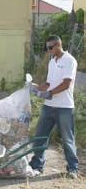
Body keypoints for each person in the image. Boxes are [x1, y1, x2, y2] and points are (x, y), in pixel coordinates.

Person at [29, 35, 79, 179]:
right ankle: (37, 166)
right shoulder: (52, 62)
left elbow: (66, 84)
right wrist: (37, 88)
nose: (48, 50)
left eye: (50, 47)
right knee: (40, 136)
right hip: (49, 107)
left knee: (67, 139)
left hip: (64, 107)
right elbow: (49, 83)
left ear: (58, 45)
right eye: (47, 48)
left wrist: (49, 94)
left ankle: (73, 169)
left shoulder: (70, 61)